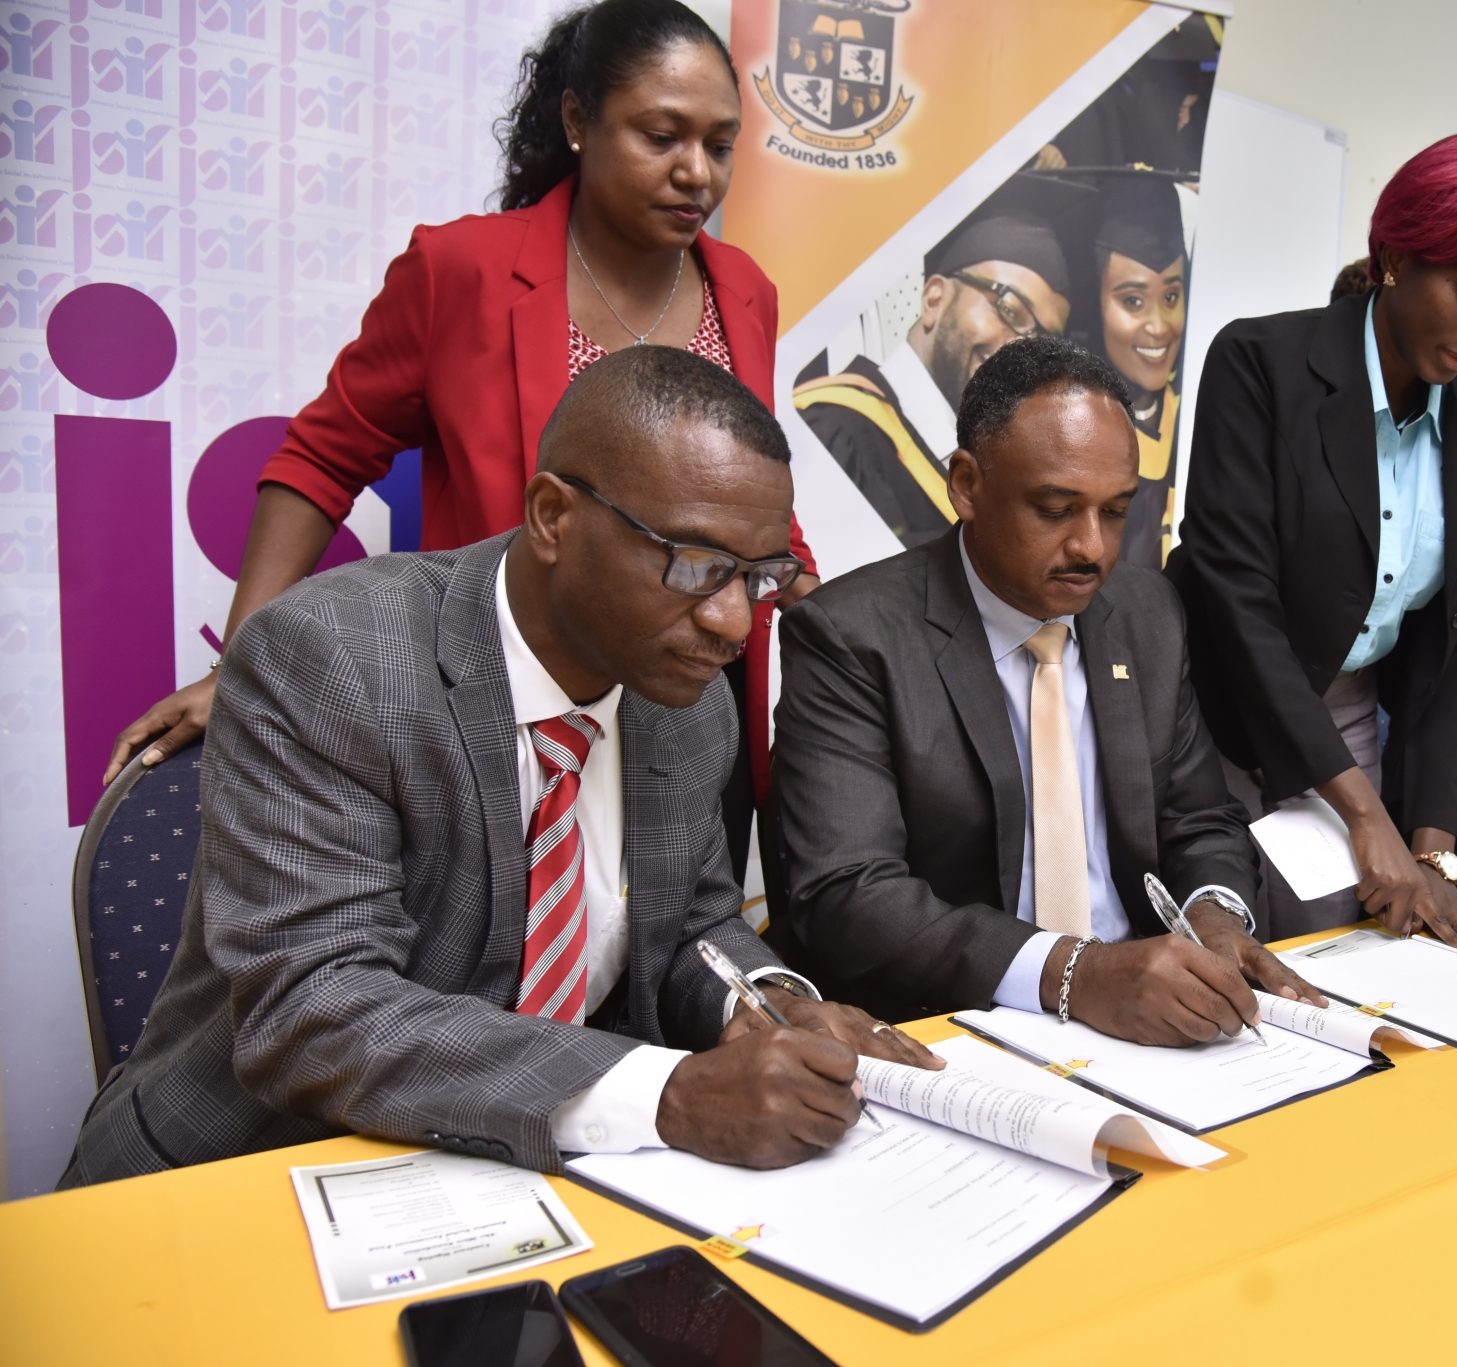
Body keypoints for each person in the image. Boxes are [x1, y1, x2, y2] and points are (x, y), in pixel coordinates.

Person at [61, 349, 936, 1189]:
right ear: (554, 516)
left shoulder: (687, 702)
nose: (735, 623)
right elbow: (314, 1008)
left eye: (758, 575)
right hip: (251, 1180)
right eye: (698, 565)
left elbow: (695, 926)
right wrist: (665, 1094)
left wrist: (769, 1003)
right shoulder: (333, 657)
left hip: (508, 1190)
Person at [104, 0, 811, 887]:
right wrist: (244, 665)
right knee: (481, 979)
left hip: (688, 710)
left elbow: (729, 488)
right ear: (578, 120)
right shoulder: (461, 271)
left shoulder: (743, 288)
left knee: (673, 965)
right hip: (504, 714)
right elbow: (321, 457)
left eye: (718, 144)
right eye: (662, 136)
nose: (695, 174)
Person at [771, 336, 1325, 1040]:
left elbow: (1198, 819)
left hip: (1145, 1011)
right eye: (1056, 508)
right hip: (959, 1027)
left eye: (1116, 510)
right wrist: (1075, 974)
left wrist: (1213, 917)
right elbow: (849, 895)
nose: (1092, 547)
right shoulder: (852, 636)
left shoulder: (1146, 613)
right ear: (966, 484)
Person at [1166, 131, 1457, 944]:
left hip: (1345, 704)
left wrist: (1435, 851)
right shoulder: (1259, 363)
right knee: (1238, 936)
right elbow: (1238, 604)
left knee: (1360, 936)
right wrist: (1364, 813)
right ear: (1396, 257)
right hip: (1218, 704)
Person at [794, 186, 1075, 547]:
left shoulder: (995, 476)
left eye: (1042, 341)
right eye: (1008, 309)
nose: (1022, 348)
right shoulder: (838, 430)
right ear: (934, 298)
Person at [1086, 175, 1187, 568]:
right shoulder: (1077, 420)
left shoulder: (1195, 407)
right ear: (1096, 302)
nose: (1159, 326)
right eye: (1133, 300)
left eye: (1171, 296)